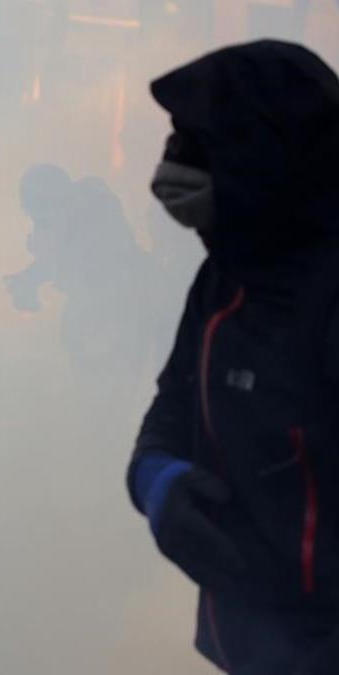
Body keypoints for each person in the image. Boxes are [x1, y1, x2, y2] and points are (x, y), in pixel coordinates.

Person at [126, 41, 339, 675]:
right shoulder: (224, 277)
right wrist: (154, 478)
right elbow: (175, 395)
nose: (175, 163)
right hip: (241, 641)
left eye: (198, 140)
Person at [4, 165, 154, 378]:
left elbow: (88, 265)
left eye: (41, 214)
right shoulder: (70, 224)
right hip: (100, 309)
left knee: (109, 372)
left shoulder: (96, 220)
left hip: (121, 308)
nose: (38, 222)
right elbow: (59, 260)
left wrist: (34, 276)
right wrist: (29, 279)